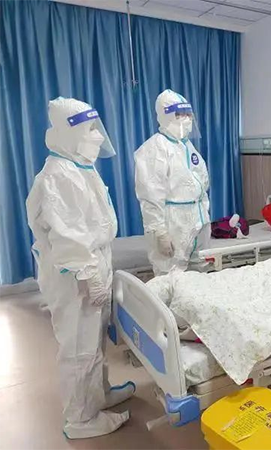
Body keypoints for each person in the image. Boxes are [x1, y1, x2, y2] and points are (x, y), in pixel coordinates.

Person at [26, 97, 134, 439]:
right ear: (69, 133)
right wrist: (88, 275)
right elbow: (68, 235)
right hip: (75, 275)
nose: (98, 137)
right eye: (90, 130)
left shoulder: (79, 168)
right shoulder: (59, 176)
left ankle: (98, 395)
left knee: (94, 339)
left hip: (92, 262)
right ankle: (81, 419)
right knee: (78, 347)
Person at [135, 89, 210, 276]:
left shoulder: (187, 146)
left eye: (187, 114)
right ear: (165, 116)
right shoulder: (154, 149)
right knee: (170, 277)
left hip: (198, 221)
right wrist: (159, 232)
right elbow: (150, 196)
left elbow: (201, 184)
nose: (186, 119)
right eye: (179, 114)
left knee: (200, 275)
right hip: (173, 223)